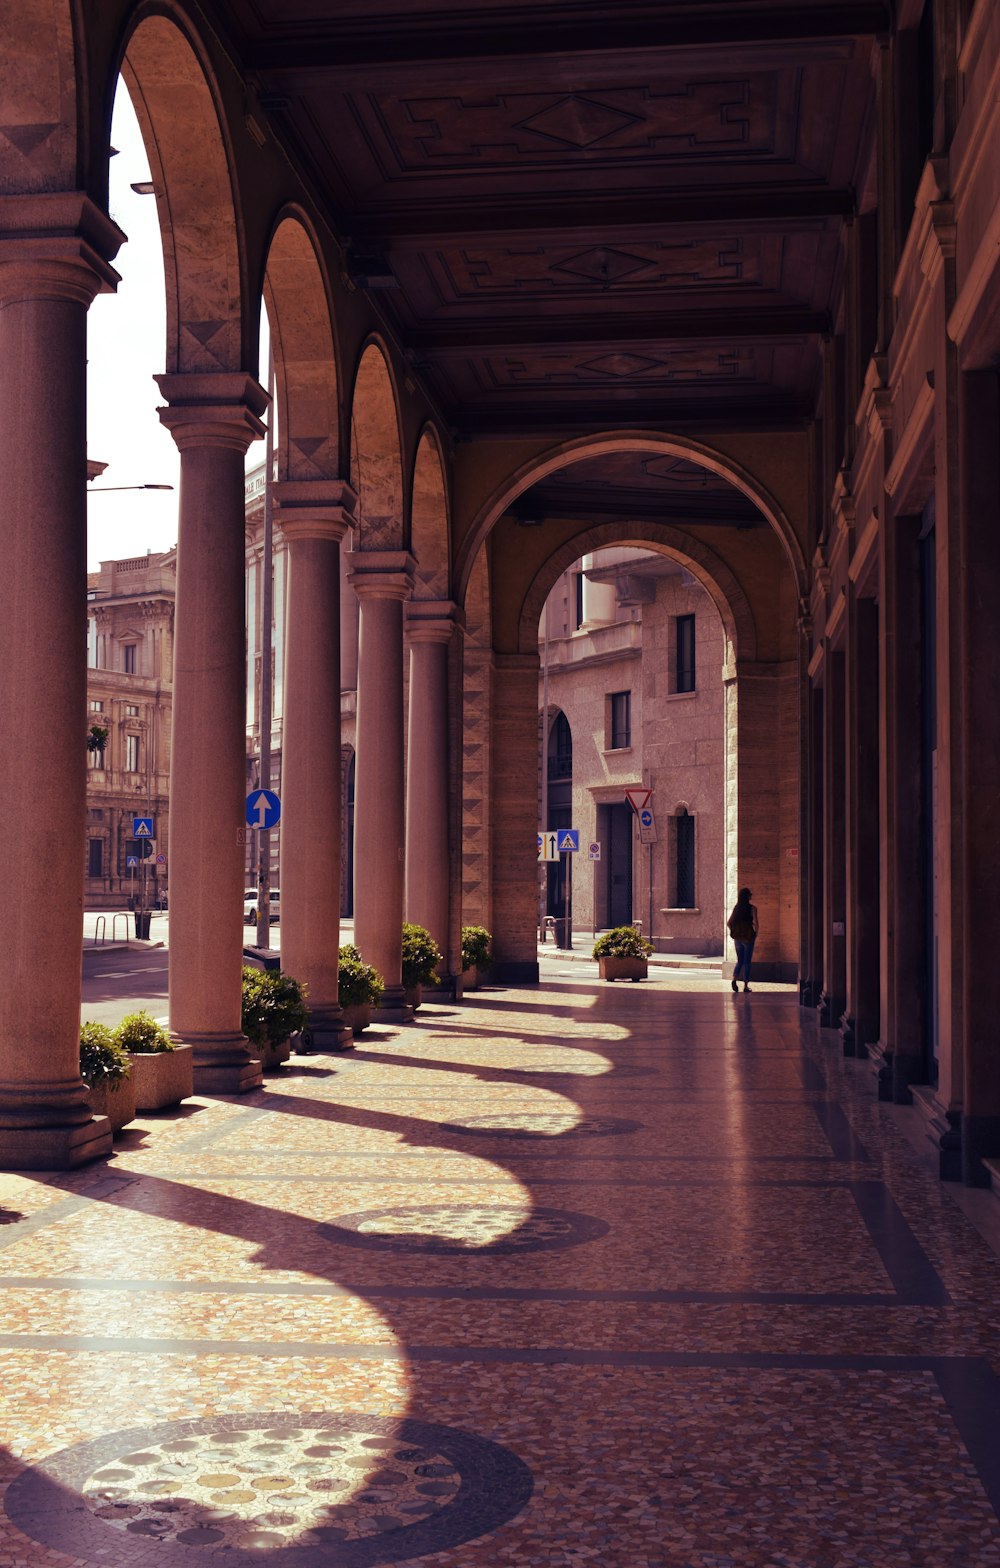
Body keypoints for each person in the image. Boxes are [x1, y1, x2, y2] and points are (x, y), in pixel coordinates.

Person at [727, 887, 758, 993]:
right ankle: (745, 985)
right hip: (748, 937)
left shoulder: (737, 908)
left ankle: (734, 980)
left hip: (738, 938)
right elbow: (756, 924)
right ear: (748, 896)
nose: (751, 896)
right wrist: (755, 934)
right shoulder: (752, 908)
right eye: (750, 894)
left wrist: (735, 931)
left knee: (740, 961)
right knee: (747, 962)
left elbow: (729, 923)